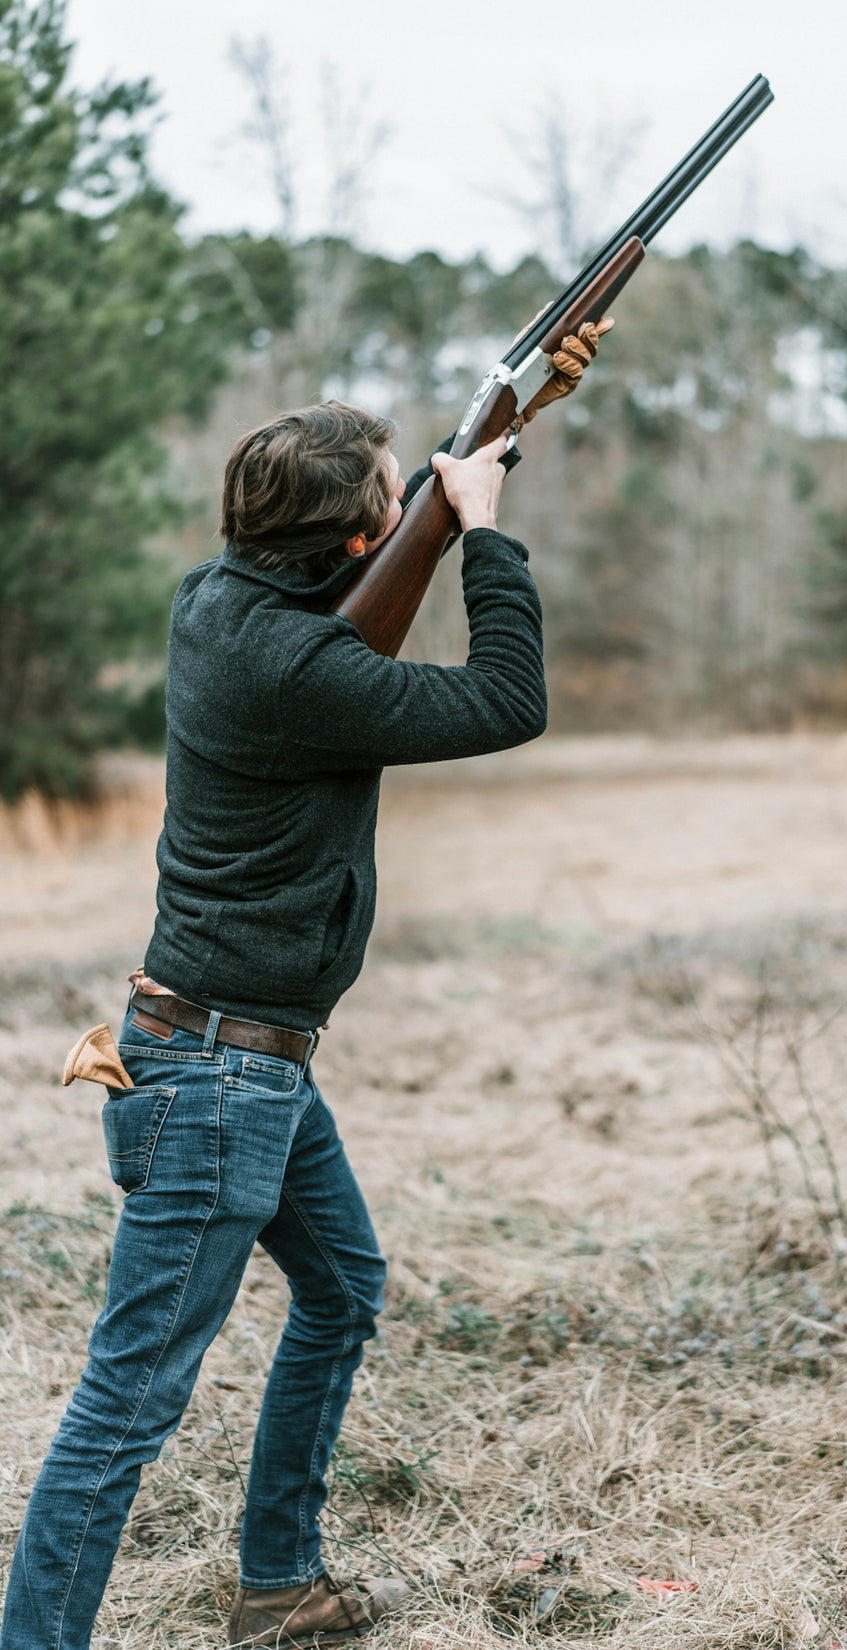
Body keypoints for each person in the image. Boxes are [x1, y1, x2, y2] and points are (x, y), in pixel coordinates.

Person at [0, 342, 604, 1650]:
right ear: (348, 536)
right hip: (220, 1074)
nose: (407, 510)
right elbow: (510, 698)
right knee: (128, 1402)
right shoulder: (301, 674)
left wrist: (520, 416)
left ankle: (277, 1585)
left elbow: (372, 570)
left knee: (340, 1286)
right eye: (396, 499)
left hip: (226, 1052)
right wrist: (485, 536)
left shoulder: (213, 601)